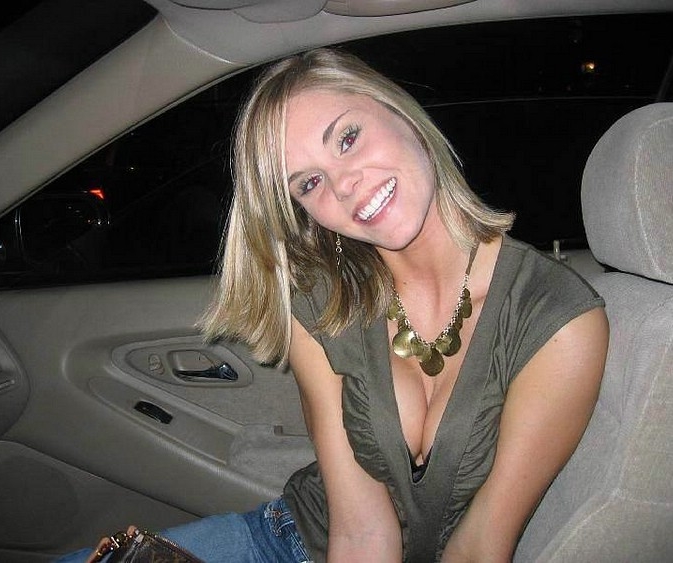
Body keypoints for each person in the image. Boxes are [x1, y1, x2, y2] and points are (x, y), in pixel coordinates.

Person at [57, 47, 608, 563]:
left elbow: (482, 545)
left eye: (347, 138)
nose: (344, 186)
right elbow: (360, 527)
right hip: (285, 540)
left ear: (403, 115)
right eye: (309, 183)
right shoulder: (321, 300)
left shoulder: (558, 320)